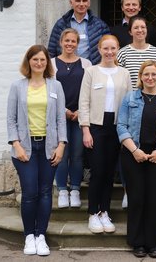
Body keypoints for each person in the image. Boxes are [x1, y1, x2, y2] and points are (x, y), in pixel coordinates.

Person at [7, 45, 67, 256]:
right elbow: (11, 119)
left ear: (47, 63)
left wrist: (61, 145)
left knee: (45, 192)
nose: (39, 63)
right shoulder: (17, 87)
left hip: (49, 146)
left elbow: (61, 118)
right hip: (25, 147)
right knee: (30, 192)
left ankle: (41, 236)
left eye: (43, 60)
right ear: (29, 62)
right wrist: (16, 144)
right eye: (35, 60)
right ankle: (29, 236)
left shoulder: (55, 86)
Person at [117, 60, 156, 259]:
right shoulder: (130, 98)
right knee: (136, 199)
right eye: (146, 74)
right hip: (133, 154)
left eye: (154, 74)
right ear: (140, 77)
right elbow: (121, 126)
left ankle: (153, 244)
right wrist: (134, 150)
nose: (150, 78)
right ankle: (138, 242)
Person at [78, 34, 132, 234]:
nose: (109, 52)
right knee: (97, 172)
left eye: (113, 48)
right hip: (96, 126)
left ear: (117, 49)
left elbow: (129, 102)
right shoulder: (91, 72)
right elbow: (84, 102)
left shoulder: (124, 73)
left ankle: (105, 212)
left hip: (116, 127)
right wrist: (85, 129)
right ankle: (93, 212)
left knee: (110, 173)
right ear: (99, 49)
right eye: (105, 48)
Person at [51, 28, 92, 209]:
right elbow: (50, 91)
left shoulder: (86, 64)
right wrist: (64, 110)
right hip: (58, 115)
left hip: (79, 116)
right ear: (61, 42)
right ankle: (62, 190)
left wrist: (79, 112)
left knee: (77, 154)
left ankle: (75, 189)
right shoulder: (51, 64)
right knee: (61, 153)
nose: (69, 44)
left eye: (73, 41)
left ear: (78, 43)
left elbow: (89, 90)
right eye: (66, 41)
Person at [48, 0, 110, 65]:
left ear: (89, 3)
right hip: (65, 68)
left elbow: (108, 48)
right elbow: (51, 50)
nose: (81, 4)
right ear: (71, 2)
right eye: (78, 1)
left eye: (84, 1)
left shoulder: (99, 25)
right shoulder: (61, 24)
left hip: (91, 69)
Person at [117, 15, 156, 89]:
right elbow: (119, 80)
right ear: (130, 32)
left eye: (143, 27)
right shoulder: (122, 53)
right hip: (131, 99)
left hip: (153, 98)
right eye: (136, 28)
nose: (140, 30)